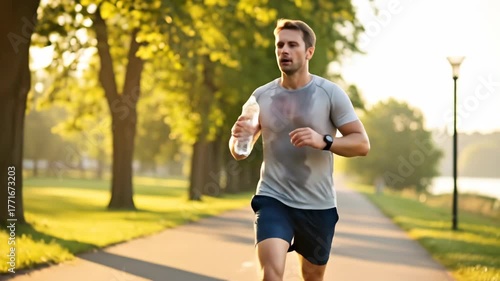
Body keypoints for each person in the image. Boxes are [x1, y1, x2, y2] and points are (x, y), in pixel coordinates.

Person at [229, 19, 370, 281]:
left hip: (318, 205)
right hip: (273, 199)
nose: (284, 50)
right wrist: (238, 138)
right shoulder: (261, 97)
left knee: (313, 278)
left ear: (309, 52)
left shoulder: (330, 94)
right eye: (280, 45)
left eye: (292, 45)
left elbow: (362, 144)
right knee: (271, 275)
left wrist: (325, 141)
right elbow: (239, 150)